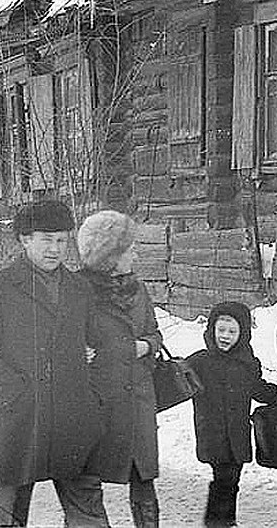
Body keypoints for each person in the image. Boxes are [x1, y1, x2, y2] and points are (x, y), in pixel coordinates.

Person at [0, 200, 109, 527]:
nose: (55, 249)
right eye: (46, 239)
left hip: (73, 418)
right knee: (10, 516)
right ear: (25, 239)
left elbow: (97, 341)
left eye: (61, 240)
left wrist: (90, 383)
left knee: (89, 516)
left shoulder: (80, 289)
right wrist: (16, 392)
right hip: (21, 420)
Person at [78, 211, 163, 528]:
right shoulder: (79, 291)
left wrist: (147, 346)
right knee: (88, 481)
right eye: (129, 249)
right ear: (110, 256)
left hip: (137, 397)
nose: (136, 254)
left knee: (144, 476)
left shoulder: (138, 289)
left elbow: (154, 332)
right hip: (99, 401)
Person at [187, 301, 277, 527]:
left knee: (232, 478)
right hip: (213, 433)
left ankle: (226, 520)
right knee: (224, 477)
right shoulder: (200, 361)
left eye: (232, 331)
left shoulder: (247, 363)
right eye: (220, 330)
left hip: (238, 434)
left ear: (242, 334)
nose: (225, 336)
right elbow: (178, 379)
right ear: (211, 330)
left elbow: (258, 390)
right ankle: (216, 522)